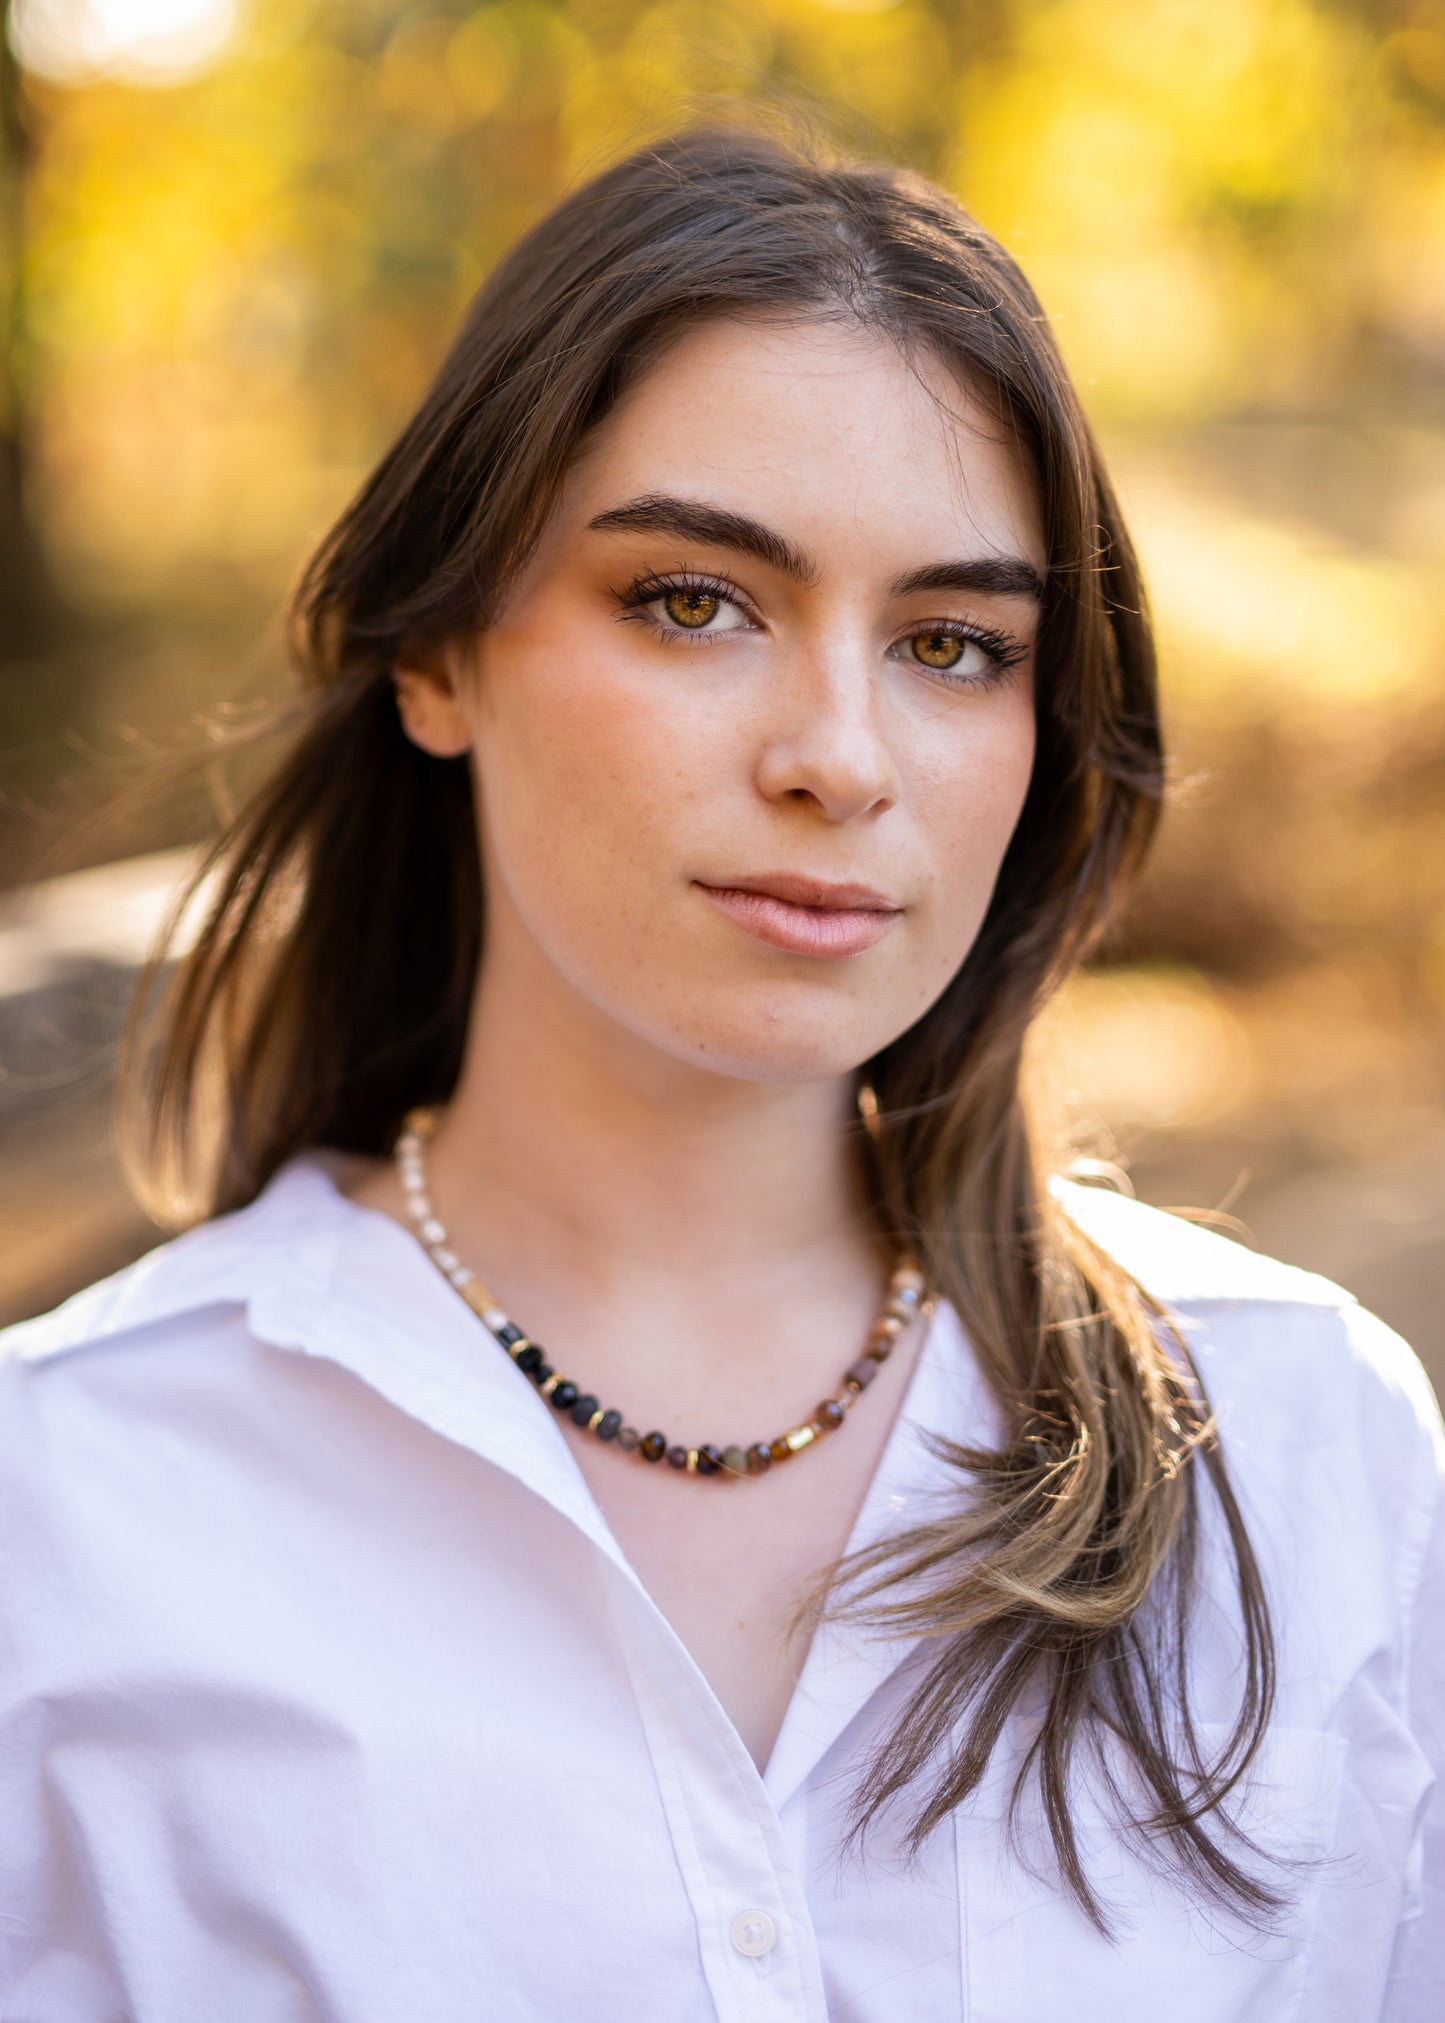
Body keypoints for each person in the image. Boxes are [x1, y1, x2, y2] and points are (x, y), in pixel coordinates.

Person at [0, 126, 1439, 2022]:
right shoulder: (68, 1503)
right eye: (693, 600)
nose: (839, 755)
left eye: (950, 643)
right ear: (437, 657)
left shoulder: (1300, 1441)